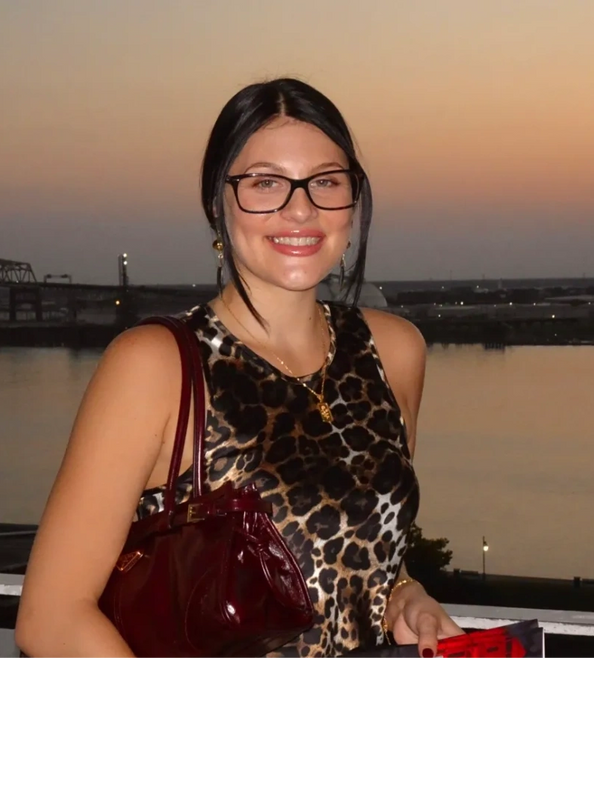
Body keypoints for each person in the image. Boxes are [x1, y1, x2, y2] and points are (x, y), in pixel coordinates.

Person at [15, 77, 462, 661]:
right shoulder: (158, 364)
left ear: (353, 200)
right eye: (265, 183)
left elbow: (367, 545)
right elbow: (51, 618)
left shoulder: (394, 350)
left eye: (326, 181)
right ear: (216, 205)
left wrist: (405, 596)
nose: (300, 208)